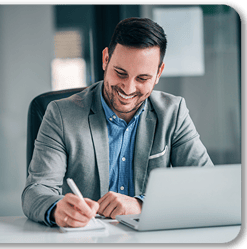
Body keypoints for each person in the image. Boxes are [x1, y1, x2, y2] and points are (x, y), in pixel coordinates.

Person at [21, 17, 213, 228]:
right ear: (105, 59)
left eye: (142, 79)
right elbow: (35, 191)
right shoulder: (61, 114)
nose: (128, 89)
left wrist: (142, 204)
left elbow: (207, 186)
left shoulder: (173, 113)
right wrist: (57, 208)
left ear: (158, 73)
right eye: (120, 73)